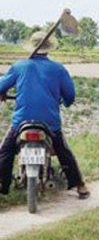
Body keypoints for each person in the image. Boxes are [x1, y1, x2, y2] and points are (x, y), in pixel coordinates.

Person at [0, 32, 89, 198]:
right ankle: (79, 185)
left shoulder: (19, 66)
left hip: (22, 120)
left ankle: (2, 183)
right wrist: (66, 102)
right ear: (48, 49)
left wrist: (3, 92)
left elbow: (1, 85)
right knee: (63, 151)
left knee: (5, 150)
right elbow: (69, 94)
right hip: (49, 121)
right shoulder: (58, 69)